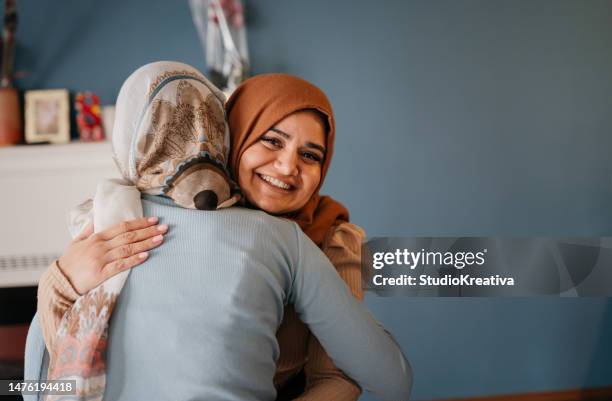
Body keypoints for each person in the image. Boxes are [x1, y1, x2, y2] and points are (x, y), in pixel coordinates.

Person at [27, 66, 410, 401]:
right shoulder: (131, 225)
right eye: (272, 140)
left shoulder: (327, 238)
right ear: (232, 138)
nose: (288, 165)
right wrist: (57, 282)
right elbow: (47, 375)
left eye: (310, 155)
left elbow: (346, 378)